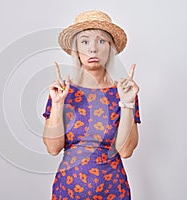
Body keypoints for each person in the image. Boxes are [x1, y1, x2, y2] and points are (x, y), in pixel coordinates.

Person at [42, 10, 141, 200]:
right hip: (68, 190)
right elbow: (53, 149)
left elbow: (126, 151)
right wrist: (57, 104)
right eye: (85, 42)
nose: (93, 49)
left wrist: (127, 103)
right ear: (76, 50)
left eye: (101, 41)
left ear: (111, 48)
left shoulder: (124, 91)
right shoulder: (62, 91)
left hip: (113, 191)